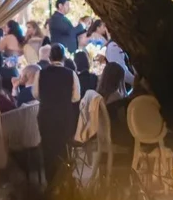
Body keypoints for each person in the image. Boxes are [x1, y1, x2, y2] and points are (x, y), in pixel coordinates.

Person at [36, 44, 81, 187]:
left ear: (49, 58)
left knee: (48, 148)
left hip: (46, 116)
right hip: (64, 116)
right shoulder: (70, 74)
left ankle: (50, 182)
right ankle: (63, 182)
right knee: (63, 147)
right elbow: (76, 97)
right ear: (63, 58)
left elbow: (35, 94)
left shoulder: (41, 73)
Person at [75, 61, 125, 183]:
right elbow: (123, 119)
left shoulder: (98, 96)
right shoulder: (116, 97)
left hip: (100, 137)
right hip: (113, 137)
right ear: (118, 80)